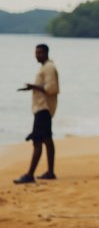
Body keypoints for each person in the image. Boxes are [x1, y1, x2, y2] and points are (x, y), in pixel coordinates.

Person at [14, 44, 60, 184]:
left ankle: (30, 174)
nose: (37, 55)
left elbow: (52, 89)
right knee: (47, 140)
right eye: (36, 53)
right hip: (43, 109)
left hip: (43, 109)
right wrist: (31, 89)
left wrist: (33, 87)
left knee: (37, 141)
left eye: (39, 53)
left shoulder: (49, 68)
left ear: (46, 53)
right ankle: (50, 172)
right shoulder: (45, 68)